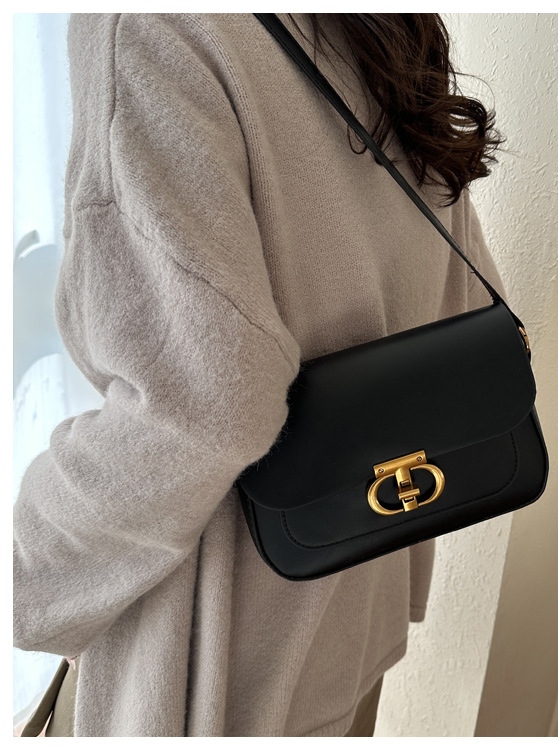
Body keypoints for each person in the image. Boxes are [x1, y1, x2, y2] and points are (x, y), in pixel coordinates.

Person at [13, 13, 507, 737]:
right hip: (350, 598)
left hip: (212, 655)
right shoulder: (373, 23)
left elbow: (203, 406)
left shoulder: (148, 27)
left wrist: (30, 566)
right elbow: (464, 299)